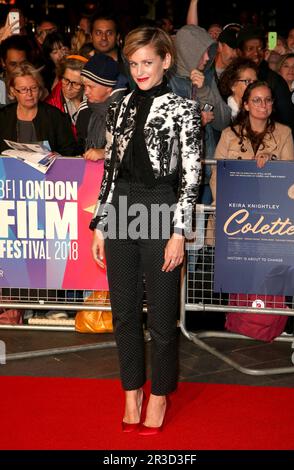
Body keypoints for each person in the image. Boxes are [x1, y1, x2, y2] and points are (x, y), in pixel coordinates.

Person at [90, 26, 202, 434]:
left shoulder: (183, 109)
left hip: (159, 206)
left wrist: (179, 232)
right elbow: (110, 169)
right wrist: (99, 225)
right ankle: (131, 390)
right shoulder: (117, 107)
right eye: (133, 63)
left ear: (166, 61)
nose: (139, 71)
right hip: (120, 205)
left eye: (147, 63)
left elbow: (192, 177)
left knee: (161, 315)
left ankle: (160, 394)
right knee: (122, 313)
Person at [0, 62, 77, 156]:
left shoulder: (56, 116)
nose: (29, 94)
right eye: (23, 89)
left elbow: (71, 153)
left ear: (40, 89)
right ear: (13, 91)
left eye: (34, 88)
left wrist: (58, 156)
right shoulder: (3, 117)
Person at [76, 52, 127, 159]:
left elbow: (132, 151)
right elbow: (80, 145)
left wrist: (104, 153)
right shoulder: (85, 109)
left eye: (91, 86)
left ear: (108, 87)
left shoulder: (126, 111)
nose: (86, 92)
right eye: (84, 86)